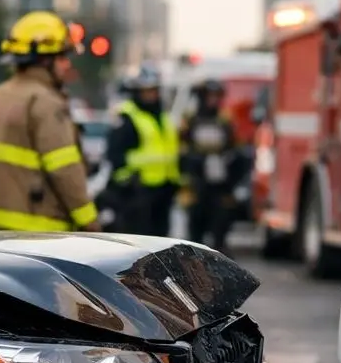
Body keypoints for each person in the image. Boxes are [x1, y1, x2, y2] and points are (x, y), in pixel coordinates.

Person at [0, 11, 100, 233]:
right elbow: (65, 171)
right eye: (62, 57)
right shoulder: (45, 103)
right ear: (44, 60)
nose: (66, 64)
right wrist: (92, 225)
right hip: (44, 239)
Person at [102, 64, 179, 236]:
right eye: (146, 90)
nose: (151, 94)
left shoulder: (163, 117)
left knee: (162, 244)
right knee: (139, 241)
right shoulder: (127, 117)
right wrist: (128, 182)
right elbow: (115, 156)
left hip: (164, 190)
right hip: (136, 192)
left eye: (154, 90)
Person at [181, 78, 240, 252]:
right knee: (195, 225)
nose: (213, 100)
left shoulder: (224, 119)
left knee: (220, 222)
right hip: (197, 181)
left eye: (216, 96)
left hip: (219, 181)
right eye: (209, 96)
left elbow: (234, 146)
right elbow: (182, 147)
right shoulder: (190, 119)